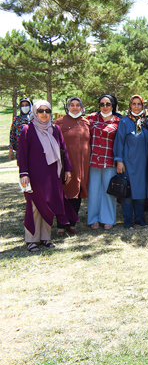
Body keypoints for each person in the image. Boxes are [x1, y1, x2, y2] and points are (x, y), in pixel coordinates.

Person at [18, 100, 78, 252]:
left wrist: (68, 170)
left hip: (53, 175)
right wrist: (23, 174)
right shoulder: (27, 130)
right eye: (40, 111)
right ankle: (31, 240)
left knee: (49, 205)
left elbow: (63, 150)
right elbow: (22, 155)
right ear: (35, 113)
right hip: (35, 176)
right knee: (35, 206)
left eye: (47, 111)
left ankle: (45, 238)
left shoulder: (55, 129)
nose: (44, 114)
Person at [114, 95, 148, 229]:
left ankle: (139, 218)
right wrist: (119, 160)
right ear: (130, 105)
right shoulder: (124, 122)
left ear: (143, 106)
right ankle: (127, 220)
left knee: (141, 191)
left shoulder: (147, 122)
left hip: (144, 162)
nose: (136, 107)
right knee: (128, 191)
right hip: (129, 162)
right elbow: (119, 142)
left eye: (139, 104)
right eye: (134, 104)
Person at [54, 97, 90, 235]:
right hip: (66, 165)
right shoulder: (59, 122)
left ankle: (72, 223)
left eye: (77, 105)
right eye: (72, 105)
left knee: (77, 193)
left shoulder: (85, 122)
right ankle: (61, 226)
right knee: (65, 194)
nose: (75, 108)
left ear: (81, 107)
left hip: (83, 166)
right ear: (67, 107)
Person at [86, 94, 121, 230]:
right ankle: (93, 218)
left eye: (108, 104)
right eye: (102, 104)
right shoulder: (91, 118)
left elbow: (120, 142)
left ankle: (108, 219)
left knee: (109, 191)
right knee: (93, 191)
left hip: (110, 161)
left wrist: (120, 161)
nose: (105, 107)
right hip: (93, 160)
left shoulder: (118, 121)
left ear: (113, 105)